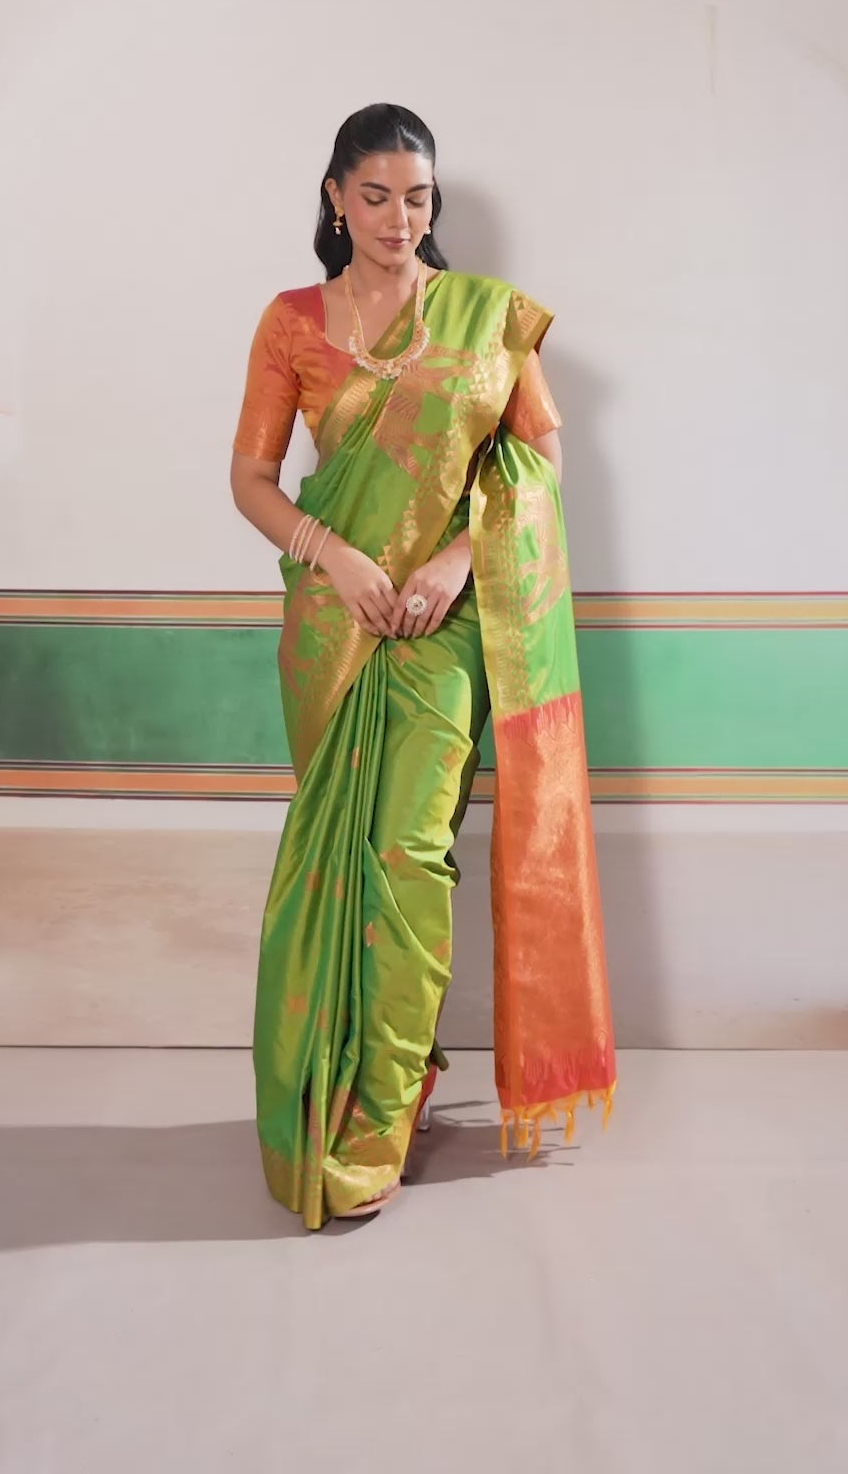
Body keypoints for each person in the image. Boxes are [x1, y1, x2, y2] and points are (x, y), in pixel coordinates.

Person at [231, 103, 615, 1228]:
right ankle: (369, 1076)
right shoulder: (291, 323)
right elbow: (251, 478)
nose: (400, 217)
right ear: (336, 199)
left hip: (446, 623)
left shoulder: (485, 317)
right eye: (377, 196)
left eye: (418, 197)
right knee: (341, 862)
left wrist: (453, 562)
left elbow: (540, 460)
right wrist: (334, 553)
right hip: (332, 625)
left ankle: (382, 1111)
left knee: (407, 853)